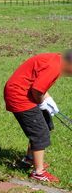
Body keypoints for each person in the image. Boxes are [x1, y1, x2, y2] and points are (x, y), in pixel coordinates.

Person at [4, 51, 72, 183]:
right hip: (19, 96)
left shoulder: (57, 59)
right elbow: (37, 90)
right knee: (40, 133)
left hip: (25, 92)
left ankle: (30, 159)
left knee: (45, 125)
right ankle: (38, 172)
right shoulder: (55, 67)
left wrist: (48, 99)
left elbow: (37, 82)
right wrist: (42, 102)